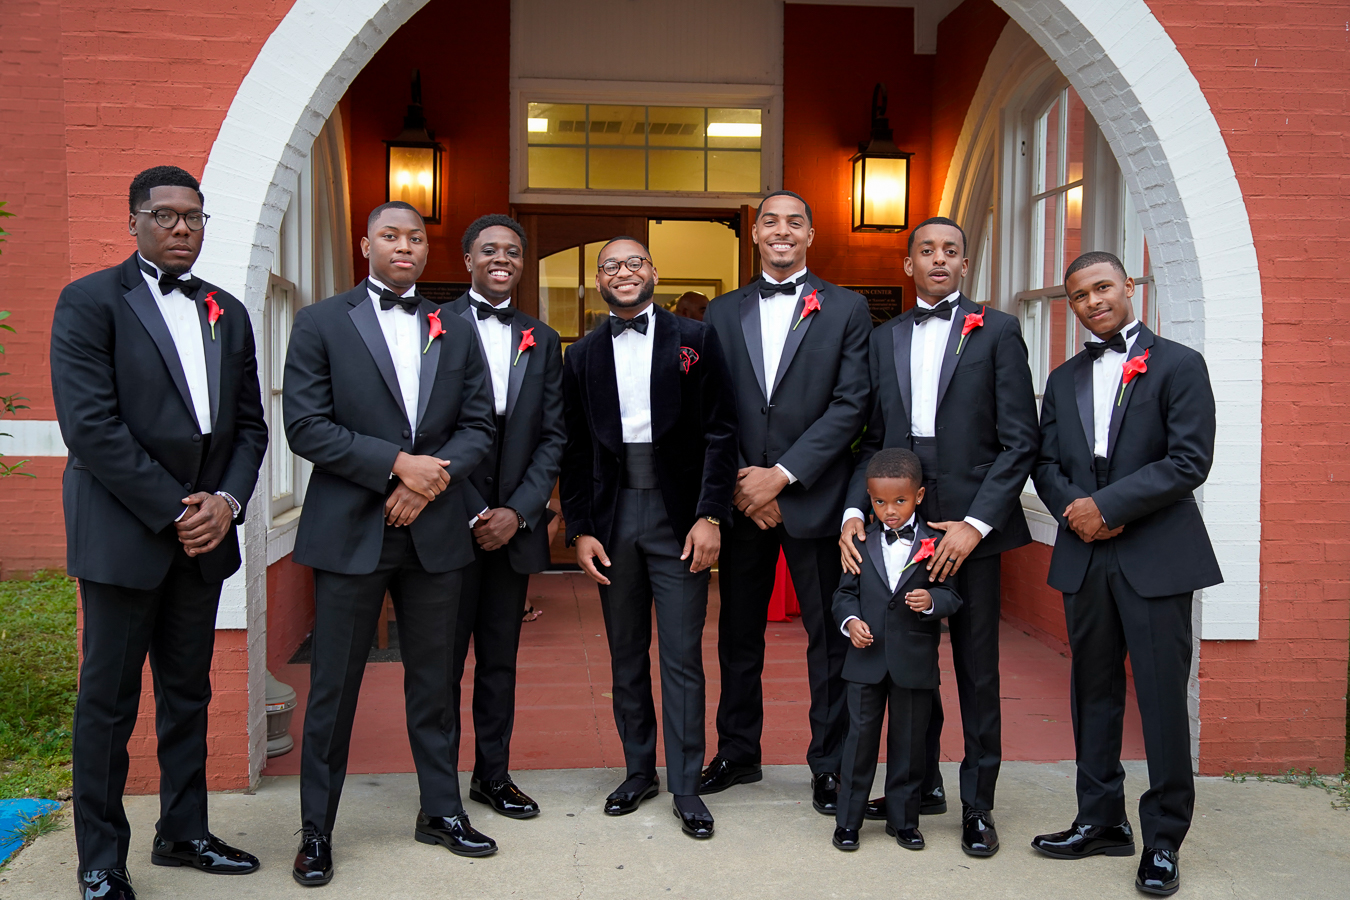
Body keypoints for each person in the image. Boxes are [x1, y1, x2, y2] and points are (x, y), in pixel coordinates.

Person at [50, 165, 268, 900]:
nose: (182, 228)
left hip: (205, 537)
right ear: (134, 220)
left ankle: (184, 832)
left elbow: (248, 426)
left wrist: (228, 503)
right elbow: (92, 428)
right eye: (166, 215)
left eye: (195, 217)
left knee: (189, 694)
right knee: (107, 704)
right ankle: (101, 860)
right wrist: (178, 508)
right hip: (125, 535)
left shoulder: (228, 312)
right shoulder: (88, 303)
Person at [283, 201, 496, 886]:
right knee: (334, 690)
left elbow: (476, 428)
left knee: (434, 683)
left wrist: (428, 484)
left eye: (414, 237)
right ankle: (317, 829)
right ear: (365, 243)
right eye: (390, 236)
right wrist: (395, 466)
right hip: (349, 531)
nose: (404, 246)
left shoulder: (455, 327)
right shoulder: (320, 322)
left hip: (435, 533)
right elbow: (306, 425)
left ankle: (441, 810)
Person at [840, 216, 1039, 856]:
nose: (939, 259)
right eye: (926, 250)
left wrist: (976, 525)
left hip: (971, 523)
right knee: (906, 662)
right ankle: (916, 786)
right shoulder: (884, 337)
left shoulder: (999, 331)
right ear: (908, 264)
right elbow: (869, 441)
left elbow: (1020, 440)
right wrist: (854, 512)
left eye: (951, 250)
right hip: (900, 517)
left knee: (977, 672)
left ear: (963, 263)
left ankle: (977, 806)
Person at [1030, 251, 1221, 897]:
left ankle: (1164, 839)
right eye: (1079, 294)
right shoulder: (1061, 378)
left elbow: (1189, 460)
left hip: (1155, 554)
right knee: (1093, 693)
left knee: (1162, 701)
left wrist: (1109, 507)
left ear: (1129, 287)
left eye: (1103, 287)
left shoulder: (1179, 364)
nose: (1093, 301)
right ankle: (1099, 820)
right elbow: (1045, 462)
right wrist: (1077, 513)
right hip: (1085, 557)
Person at [559, 237, 737, 839]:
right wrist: (581, 528)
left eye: (635, 263)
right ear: (600, 281)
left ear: (653, 272)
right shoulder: (581, 355)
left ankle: (686, 783)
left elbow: (720, 433)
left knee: (683, 656)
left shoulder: (696, 340)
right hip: (613, 520)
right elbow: (576, 451)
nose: (624, 272)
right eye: (611, 266)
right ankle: (639, 770)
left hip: (678, 516)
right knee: (625, 652)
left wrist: (711, 515)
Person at [702, 190, 872, 815]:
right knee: (737, 635)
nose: (781, 231)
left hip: (816, 499)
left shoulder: (848, 308)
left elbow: (852, 403)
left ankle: (829, 764)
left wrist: (783, 474)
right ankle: (737, 752)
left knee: (829, 640)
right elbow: (712, 408)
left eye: (793, 222)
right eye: (769, 221)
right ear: (754, 234)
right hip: (742, 501)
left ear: (810, 233)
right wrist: (747, 483)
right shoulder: (721, 312)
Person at [447, 214, 564, 820]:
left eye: (513, 252)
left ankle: (492, 776)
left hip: (513, 528)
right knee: (441, 666)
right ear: (468, 258)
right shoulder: (432, 325)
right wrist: (474, 513)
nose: (502, 259)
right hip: (446, 523)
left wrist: (518, 513)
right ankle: (439, 791)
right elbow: (429, 431)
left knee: (499, 660)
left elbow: (552, 437)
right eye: (489, 250)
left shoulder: (541, 339)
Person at [831, 449, 961, 854]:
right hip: (865, 663)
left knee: (908, 745)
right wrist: (851, 623)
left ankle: (903, 822)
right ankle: (848, 822)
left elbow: (953, 596)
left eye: (899, 501)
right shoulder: (860, 541)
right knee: (858, 743)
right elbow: (843, 596)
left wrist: (933, 601)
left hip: (913, 663)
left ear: (919, 495)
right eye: (879, 502)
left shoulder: (935, 543)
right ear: (869, 499)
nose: (889, 511)